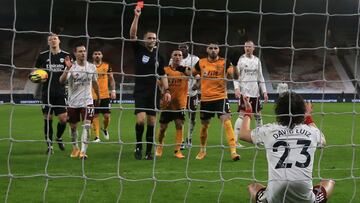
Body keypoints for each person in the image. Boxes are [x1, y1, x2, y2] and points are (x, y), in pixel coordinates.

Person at [239, 92, 335, 203]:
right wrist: (308, 117)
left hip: (275, 198)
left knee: (253, 186)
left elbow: (242, 134)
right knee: (329, 183)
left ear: (278, 111)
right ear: (302, 112)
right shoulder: (312, 132)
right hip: (305, 197)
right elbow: (323, 141)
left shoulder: (269, 130)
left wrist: (248, 112)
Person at [130, 8, 171, 160]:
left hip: (154, 92)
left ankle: (148, 151)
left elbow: (163, 74)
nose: (151, 40)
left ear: (156, 40)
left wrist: (166, 90)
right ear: (145, 39)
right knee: (140, 120)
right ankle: (138, 147)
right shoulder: (139, 50)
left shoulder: (159, 56)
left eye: (153, 38)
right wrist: (136, 16)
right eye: (149, 38)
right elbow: (132, 35)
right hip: (140, 91)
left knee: (152, 122)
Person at [193, 43, 240, 161]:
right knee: (204, 126)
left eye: (215, 48)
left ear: (218, 50)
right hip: (205, 99)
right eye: (211, 48)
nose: (213, 50)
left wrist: (234, 66)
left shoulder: (225, 62)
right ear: (207, 50)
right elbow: (193, 73)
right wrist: (198, 81)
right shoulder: (201, 62)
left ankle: (233, 152)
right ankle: (202, 150)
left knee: (227, 121)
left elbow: (235, 76)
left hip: (221, 98)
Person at [59, 43, 100, 160]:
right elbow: (61, 81)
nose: (83, 53)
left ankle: (83, 152)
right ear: (75, 53)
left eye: (84, 51)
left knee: (87, 126)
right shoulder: (71, 67)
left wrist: (98, 95)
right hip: (73, 102)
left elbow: (95, 83)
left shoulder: (92, 67)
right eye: (80, 51)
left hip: (87, 101)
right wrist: (67, 69)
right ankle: (75, 148)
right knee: (73, 128)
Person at [35, 33, 70, 154]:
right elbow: (36, 72)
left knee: (63, 119)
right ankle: (49, 146)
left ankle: (59, 137)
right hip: (47, 93)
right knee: (48, 119)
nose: (53, 41)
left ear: (59, 40)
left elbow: (71, 72)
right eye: (50, 39)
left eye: (55, 38)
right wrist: (39, 77)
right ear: (48, 43)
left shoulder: (66, 56)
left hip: (60, 92)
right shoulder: (42, 56)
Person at [156, 50, 192, 159]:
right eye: (175, 55)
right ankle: (159, 147)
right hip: (167, 104)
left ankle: (177, 151)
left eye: (179, 55)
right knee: (162, 128)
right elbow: (158, 81)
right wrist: (161, 92)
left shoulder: (185, 70)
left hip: (180, 103)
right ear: (171, 57)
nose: (177, 57)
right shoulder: (165, 70)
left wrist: (182, 68)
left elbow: (193, 74)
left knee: (179, 124)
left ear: (182, 58)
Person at [233, 40, 268, 146]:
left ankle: (259, 139)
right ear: (244, 48)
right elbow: (236, 76)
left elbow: (260, 77)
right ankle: (234, 141)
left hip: (255, 93)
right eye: (246, 47)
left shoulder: (257, 60)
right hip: (245, 93)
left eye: (250, 47)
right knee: (242, 115)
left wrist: (265, 92)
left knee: (258, 115)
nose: (248, 48)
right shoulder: (241, 60)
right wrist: (236, 89)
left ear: (254, 48)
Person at [169, 43, 200, 149]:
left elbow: (199, 72)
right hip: (179, 93)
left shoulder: (195, 59)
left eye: (184, 48)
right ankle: (181, 140)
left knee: (192, 117)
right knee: (180, 118)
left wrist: (197, 83)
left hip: (192, 93)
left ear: (188, 49)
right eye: (180, 49)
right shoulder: (174, 59)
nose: (182, 50)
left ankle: (189, 138)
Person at [91, 50, 116, 142]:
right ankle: (97, 137)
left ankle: (104, 129)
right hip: (93, 95)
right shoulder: (89, 67)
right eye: (95, 54)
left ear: (102, 56)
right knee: (95, 115)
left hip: (105, 95)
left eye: (99, 54)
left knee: (107, 116)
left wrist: (113, 90)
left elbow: (111, 79)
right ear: (92, 56)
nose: (97, 55)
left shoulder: (107, 66)